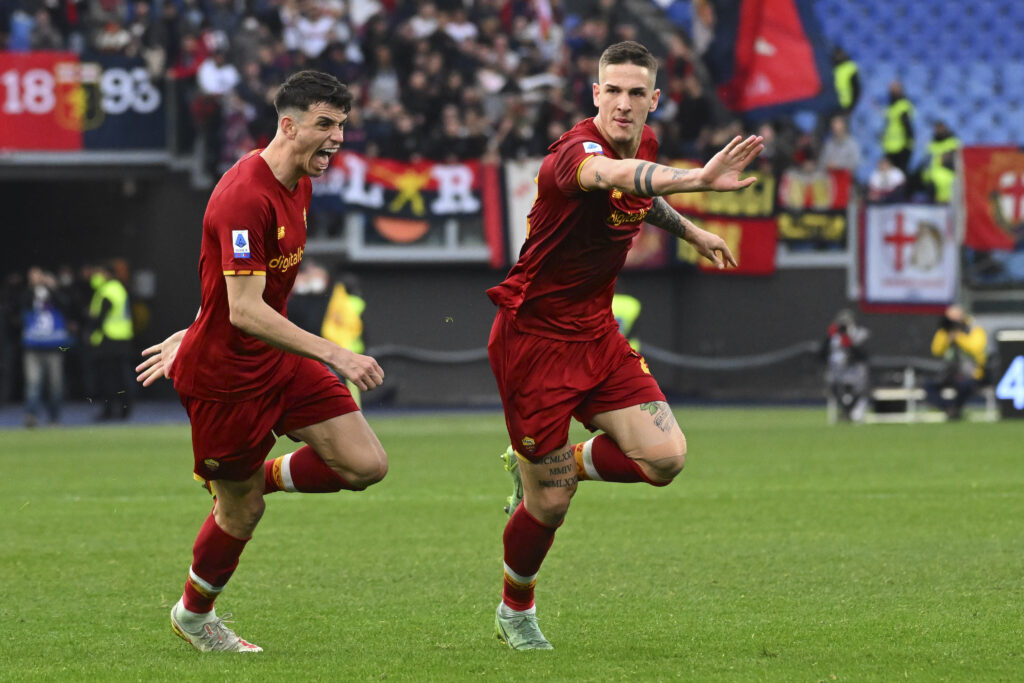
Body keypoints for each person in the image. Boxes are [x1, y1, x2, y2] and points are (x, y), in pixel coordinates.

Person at [485, 41, 763, 650]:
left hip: (596, 333)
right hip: (532, 343)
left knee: (665, 458)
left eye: (637, 93)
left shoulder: (646, 148)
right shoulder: (574, 153)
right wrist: (700, 180)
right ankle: (516, 609)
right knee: (549, 506)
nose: (623, 103)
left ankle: (562, 464)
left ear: (654, 101)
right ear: (595, 95)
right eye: (612, 90)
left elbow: (640, 192)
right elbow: (607, 176)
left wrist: (689, 229)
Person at [135, 70, 388, 653]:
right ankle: (194, 617)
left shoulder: (298, 178)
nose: (336, 139)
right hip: (225, 381)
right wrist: (336, 354)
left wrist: (196, 325)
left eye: (343, 126)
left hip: (275, 360)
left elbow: (232, 290)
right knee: (240, 512)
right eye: (325, 125)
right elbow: (245, 310)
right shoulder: (244, 195)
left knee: (364, 465)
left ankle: (265, 474)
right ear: (288, 124)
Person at [21, 267, 72, 427]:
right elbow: (19, 304)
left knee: (55, 385)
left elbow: (67, 305)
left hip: (53, 346)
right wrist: (32, 288)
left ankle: (54, 417)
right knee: (33, 384)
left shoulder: (53, 294)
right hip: (33, 346)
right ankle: (31, 416)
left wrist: (53, 288)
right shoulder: (28, 294)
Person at [89, 260, 135, 420]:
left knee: (109, 378)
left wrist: (91, 329)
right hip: (123, 338)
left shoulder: (108, 290)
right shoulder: (119, 289)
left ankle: (109, 410)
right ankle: (124, 409)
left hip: (109, 339)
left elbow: (99, 317)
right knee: (121, 377)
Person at [925, 305, 988, 420]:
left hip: (971, 372)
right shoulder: (945, 331)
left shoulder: (974, 328)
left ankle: (955, 409)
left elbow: (976, 348)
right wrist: (947, 337)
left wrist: (958, 337)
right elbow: (936, 350)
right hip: (950, 372)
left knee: (965, 386)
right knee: (928, 386)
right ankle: (949, 409)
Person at [821, 309, 870, 423]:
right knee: (833, 385)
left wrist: (848, 342)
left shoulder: (859, 334)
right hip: (837, 370)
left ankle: (848, 411)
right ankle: (846, 411)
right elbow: (822, 353)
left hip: (854, 370)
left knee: (860, 387)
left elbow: (863, 355)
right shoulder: (833, 337)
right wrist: (829, 337)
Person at [881, 80, 915, 175]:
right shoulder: (891, 106)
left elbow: (908, 126)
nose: (892, 91)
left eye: (894, 89)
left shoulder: (903, 106)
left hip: (901, 147)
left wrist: (908, 145)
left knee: (900, 175)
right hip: (890, 146)